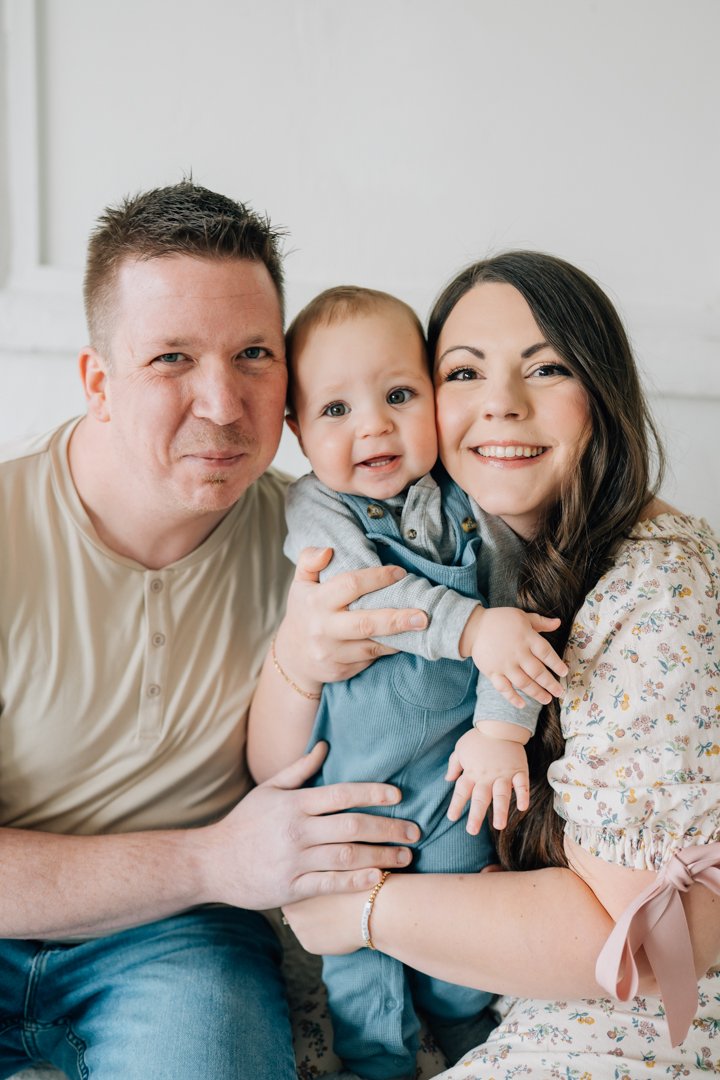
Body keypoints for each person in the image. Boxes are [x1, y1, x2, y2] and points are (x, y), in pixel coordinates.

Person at [0, 181, 429, 1080]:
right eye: (171, 360)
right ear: (97, 383)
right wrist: (215, 861)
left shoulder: (325, 542)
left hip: (177, 947)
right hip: (186, 882)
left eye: (253, 355)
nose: (226, 404)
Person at [281, 251, 720, 1078]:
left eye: (546, 368)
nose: (501, 405)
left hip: (630, 1019)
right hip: (520, 975)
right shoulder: (476, 539)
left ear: (603, 393)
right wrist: (294, 662)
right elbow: (282, 754)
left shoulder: (657, 585)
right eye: (464, 372)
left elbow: (654, 945)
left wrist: (364, 912)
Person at [248, 284, 568, 1080]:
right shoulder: (317, 508)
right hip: (351, 785)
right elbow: (378, 598)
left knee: (463, 929)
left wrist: (502, 730)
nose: (374, 426)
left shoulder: (474, 501)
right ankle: (378, 1062)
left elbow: (517, 618)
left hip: (455, 770)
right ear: (294, 430)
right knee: (357, 961)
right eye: (335, 410)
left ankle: (468, 1044)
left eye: (398, 395)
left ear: (431, 394)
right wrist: (467, 629)